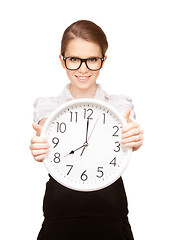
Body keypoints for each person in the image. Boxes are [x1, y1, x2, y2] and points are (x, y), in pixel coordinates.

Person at [30, 20, 143, 240]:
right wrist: (37, 145)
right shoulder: (47, 106)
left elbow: (130, 134)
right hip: (60, 212)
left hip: (110, 211)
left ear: (103, 60)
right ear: (62, 61)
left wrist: (135, 137)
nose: (83, 69)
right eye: (74, 59)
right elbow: (43, 132)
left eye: (92, 59)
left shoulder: (120, 105)